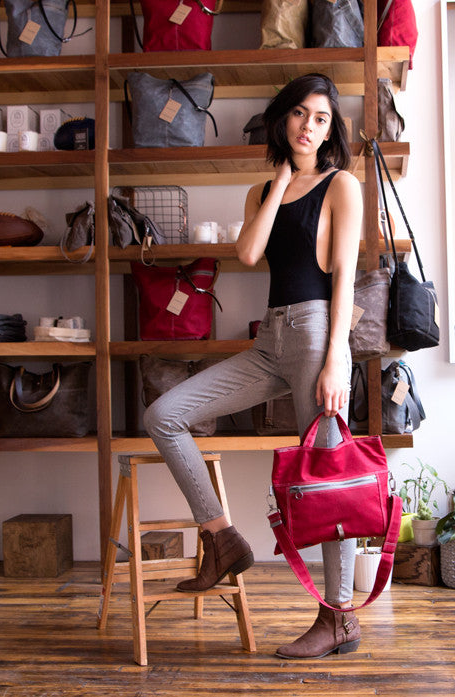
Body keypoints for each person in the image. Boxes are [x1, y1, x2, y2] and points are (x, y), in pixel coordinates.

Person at [143, 73, 364, 659]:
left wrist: (337, 354)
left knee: (325, 477)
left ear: (330, 128)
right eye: (299, 113)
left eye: (321, 118)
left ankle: (338, 616)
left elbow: (344, 276)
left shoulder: (342, 185)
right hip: (271, 339)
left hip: (317, 333)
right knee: (164, 414)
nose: (309, 126)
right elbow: (246, 252)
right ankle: (221, 537)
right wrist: (282, 179)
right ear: (282, 118)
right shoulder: (262, 191)